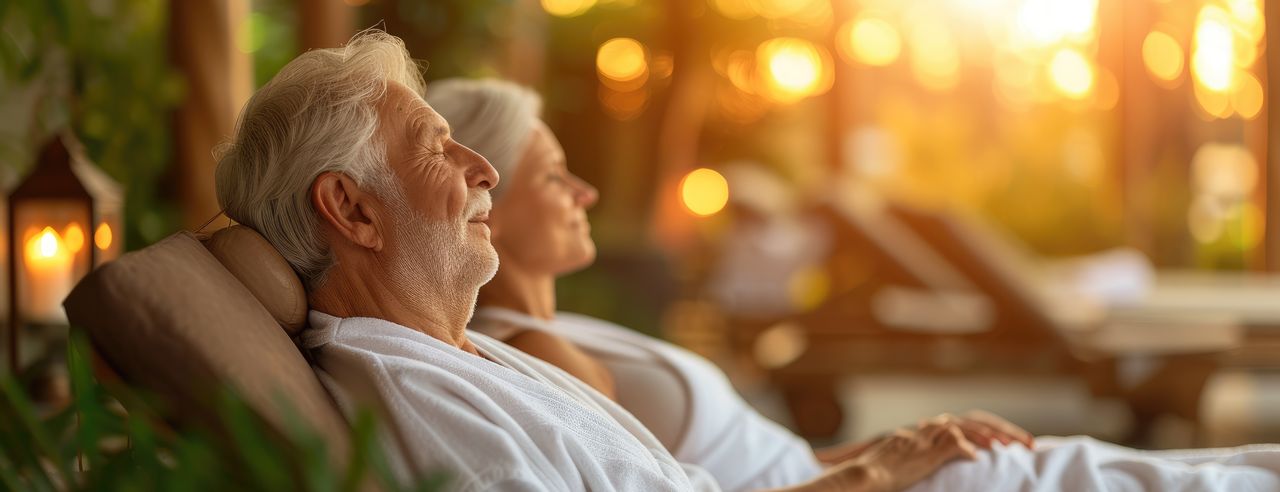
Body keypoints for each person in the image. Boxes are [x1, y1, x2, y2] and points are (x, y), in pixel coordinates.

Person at [213, 30, 980, 492]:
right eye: (436, 148)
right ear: (352, 210)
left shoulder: (454, 355)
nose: (483, 168)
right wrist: (869, 475)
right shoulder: (418, 396)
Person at [428, 77, 1280, 492]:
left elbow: (757, 468)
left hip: (885, 476)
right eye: (554, 178)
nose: (586, 195)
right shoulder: (536, 355)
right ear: (484, 201)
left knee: (1229, 468)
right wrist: (881, 469)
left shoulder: (568, 333)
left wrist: (908, 439)